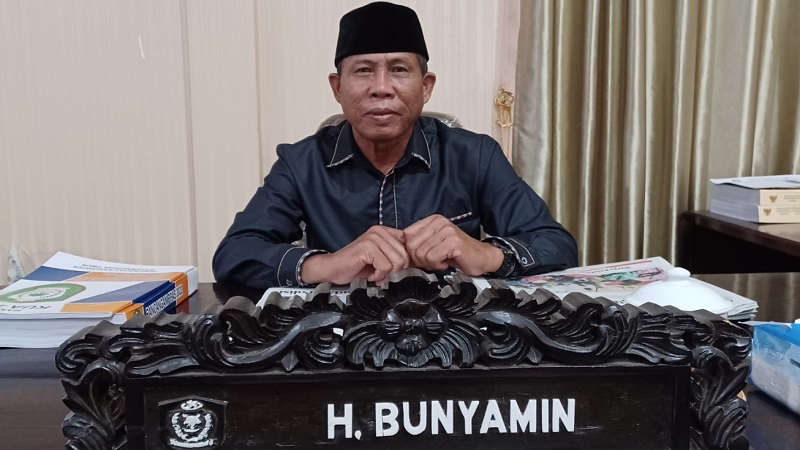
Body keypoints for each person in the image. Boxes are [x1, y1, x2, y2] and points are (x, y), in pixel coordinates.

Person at [213, 1, 578, 290]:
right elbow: (234, 254)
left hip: (454, 337)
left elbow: (557, 246)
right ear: (337, 88)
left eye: (399, 70)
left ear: (426, 86)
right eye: (363, 70)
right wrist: (327, 264)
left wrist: (486, 255)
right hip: (338, 340)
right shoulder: (301, 163)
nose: (381, 88)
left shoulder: (474, 156)